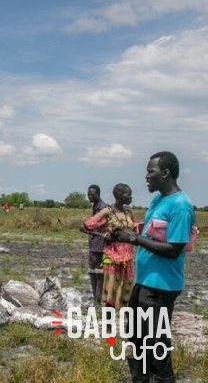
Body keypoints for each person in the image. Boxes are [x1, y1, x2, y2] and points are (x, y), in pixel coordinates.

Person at [114, 151, 196, 383]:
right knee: (136, 339)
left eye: (151, 171)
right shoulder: (158, 200)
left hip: (161, 287)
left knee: (156, 345)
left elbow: (173, 250)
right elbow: (151, 234)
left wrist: (134, 239)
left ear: (166, 172)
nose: (147, 176)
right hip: (144, 283)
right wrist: (126, 234)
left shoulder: (181, 205)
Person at [81, 183, 137, 309]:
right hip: (113, 259)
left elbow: (137, 229)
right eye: (128, 194)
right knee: (110, 295)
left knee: (126, 293)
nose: (131, 197)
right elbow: (85, 227)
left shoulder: (129, 213)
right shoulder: (108, 212)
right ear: (119, 195)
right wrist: (104, 235)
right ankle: (108, 325)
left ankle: (125, 325)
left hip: (128, 259)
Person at [83, 184, 108, 304]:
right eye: (88, 194)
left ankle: (97, 301)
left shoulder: (103, 209)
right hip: (94, 245)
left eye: (92, 195)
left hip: (99, 246)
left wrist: (87, 229)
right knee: (92, 272)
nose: (89, 197)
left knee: (98, 274)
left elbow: (100, 228)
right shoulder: (96, 207)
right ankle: (96, 299)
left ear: (98, 194)